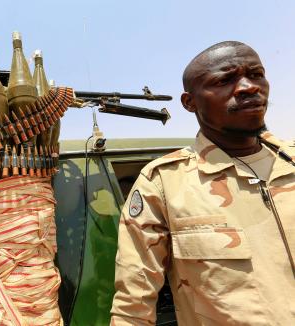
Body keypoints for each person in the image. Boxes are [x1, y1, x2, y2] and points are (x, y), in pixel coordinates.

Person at [110, 41, 295, 325]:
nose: (248, 86)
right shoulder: (164, 184)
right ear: (189, 102)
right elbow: (132, 307)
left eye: (256, 74)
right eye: (225, 80)